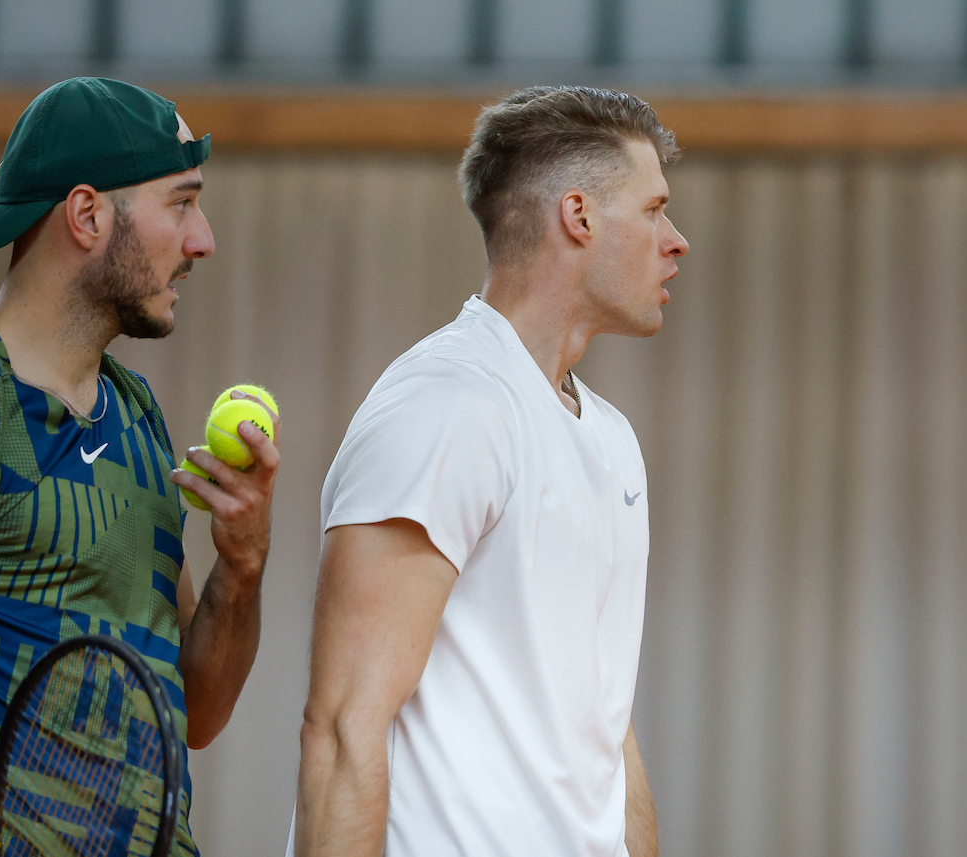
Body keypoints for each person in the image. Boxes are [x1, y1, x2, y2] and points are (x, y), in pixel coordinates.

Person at [0, 77, 279, 857]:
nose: (202, 239)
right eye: (181, 203)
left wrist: (241, 564)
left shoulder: (137, 418)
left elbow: (197, 712)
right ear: (87, 214)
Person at [289, 86, 688, 857]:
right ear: (578, 216)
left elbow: (608, 735)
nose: (677, 240)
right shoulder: (445, 406)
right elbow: (343, 729)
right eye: (653, 209)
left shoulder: (610, 438)